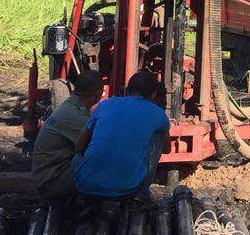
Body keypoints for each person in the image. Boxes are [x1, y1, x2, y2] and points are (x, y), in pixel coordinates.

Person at [71, 70, 171, 199]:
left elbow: (79, 147)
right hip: (127, 190)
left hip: (84, 185)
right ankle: (142, 194)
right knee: (158, 137)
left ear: (127, 89)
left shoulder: (104, 105)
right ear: (153, 94)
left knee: (78, 155)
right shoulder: (158, 114)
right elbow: (167, 149)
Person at [31, 68, 103, 199]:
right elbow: (99, 147)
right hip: (51, 182)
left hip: (51, 174)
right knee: (103, 161)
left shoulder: (70, 106)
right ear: (98, 94)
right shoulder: (75, 115)